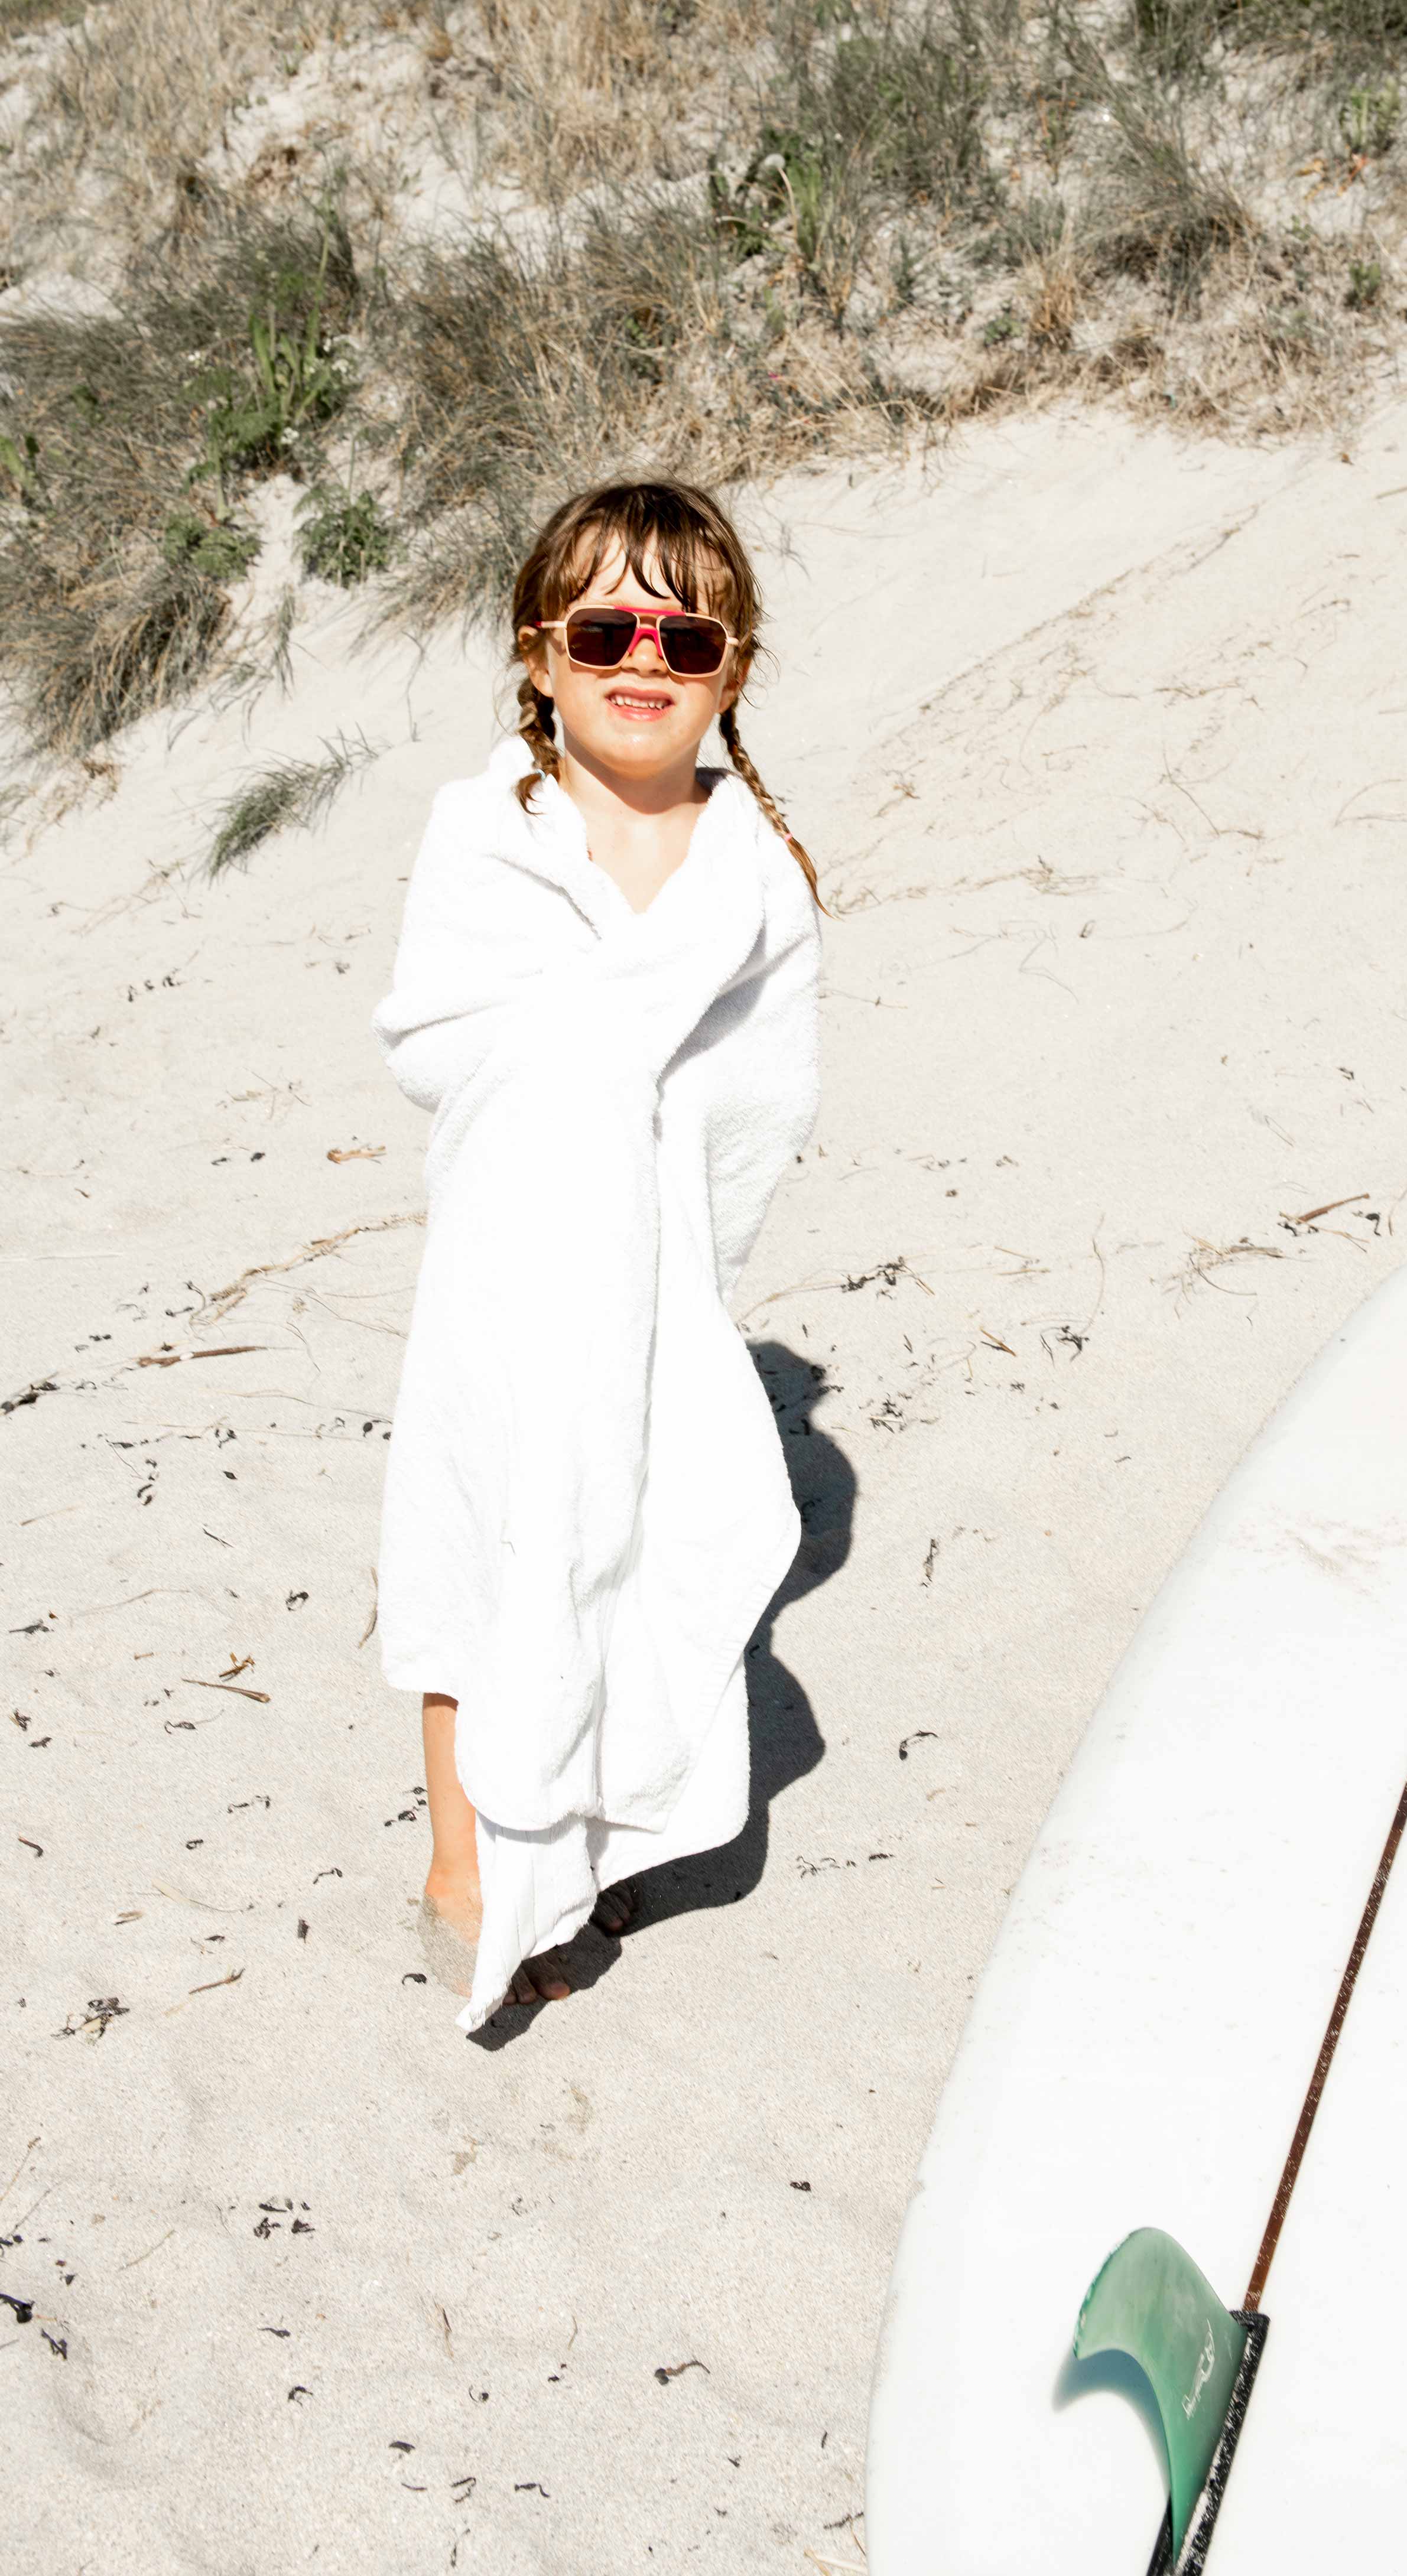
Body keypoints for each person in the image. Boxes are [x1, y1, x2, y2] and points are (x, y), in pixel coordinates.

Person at [372, 480, 823, 2028]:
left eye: (682, 634)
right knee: (477, 1547)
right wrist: (574, 1060)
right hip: (503, 1276)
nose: (644, 656)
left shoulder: (754, 874)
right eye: (607, 628)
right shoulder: (487, 831)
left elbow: (764, 1100)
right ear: (542, 653)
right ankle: (460, 1856)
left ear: (732, 667)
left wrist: (681, 1250)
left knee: (638, 1549)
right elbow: (437, 1033)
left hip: (657, 1285)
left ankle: (587, 1835)